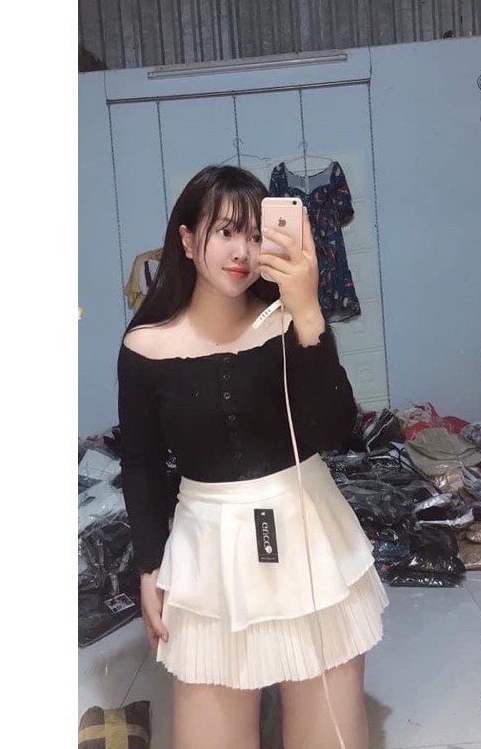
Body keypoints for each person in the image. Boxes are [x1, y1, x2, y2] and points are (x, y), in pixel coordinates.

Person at [117, 165, 389, 749]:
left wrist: (310, 314)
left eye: (255, 234)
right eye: (225, 232)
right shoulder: (144, 347)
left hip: (308, 531)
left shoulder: (288, 323)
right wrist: (149, 567)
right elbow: (140, 463)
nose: (242, 251)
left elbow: (337, 431)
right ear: (187, 239)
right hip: (206, 545)